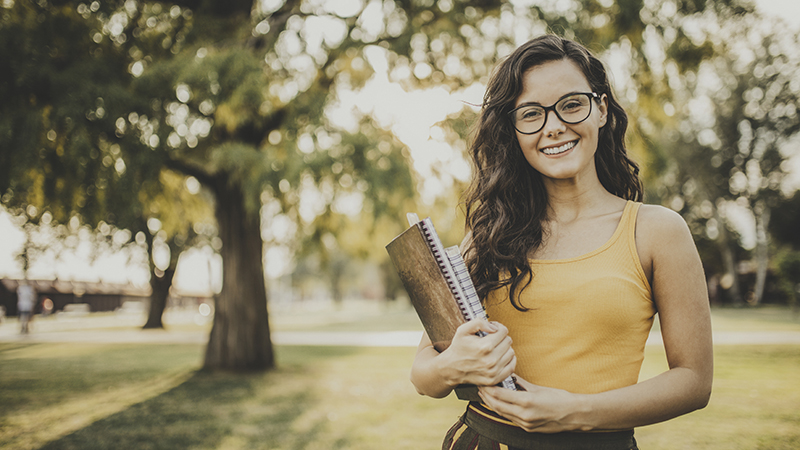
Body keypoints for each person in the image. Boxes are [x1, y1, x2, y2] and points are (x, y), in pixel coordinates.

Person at [410, 35, 713, 450]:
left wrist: (573, 411)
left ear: (601, 109)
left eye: (571, 104)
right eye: (531, 113)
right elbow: (425, 376)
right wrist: (453, 364)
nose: (554, 126)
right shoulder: (487, 236)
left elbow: (694, 382)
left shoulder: (657, 231)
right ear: (513, 129)